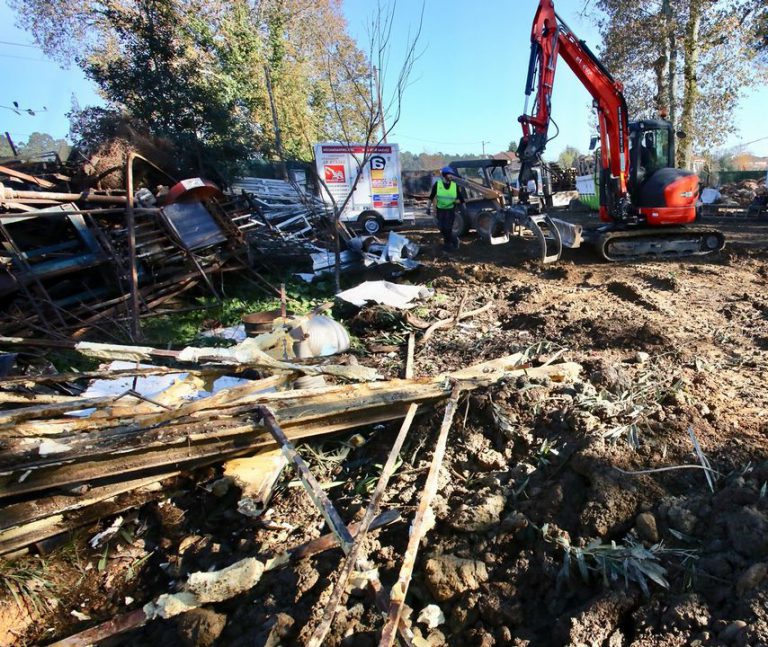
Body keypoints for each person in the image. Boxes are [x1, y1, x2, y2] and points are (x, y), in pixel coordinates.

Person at [427, 166, 466, 251]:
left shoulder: (454, 186)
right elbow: (431, 197)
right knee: (441, 227)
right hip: (440, 210)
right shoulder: (438, 184)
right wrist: (428, 208)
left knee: (448, 228)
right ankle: (454, 240)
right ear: (444, 175)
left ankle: (448, 245)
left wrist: (463, 207)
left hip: (450, 210)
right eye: (450, 175)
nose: (451, 176)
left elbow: (461, 198)